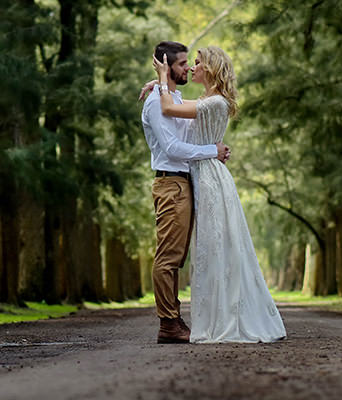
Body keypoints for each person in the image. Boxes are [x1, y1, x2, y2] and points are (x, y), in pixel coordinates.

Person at [151, 45, 286, 343]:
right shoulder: (207, 99)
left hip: (208, 177)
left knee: (215, 248)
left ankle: (222, 318)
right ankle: (206, 316)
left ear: (210, 68)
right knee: (208, 249)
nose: (192, 68)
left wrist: (162, 80)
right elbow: (173, 102)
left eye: (197, 63)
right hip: (199, 174)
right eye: (190, 63)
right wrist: (157, 84)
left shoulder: (214, 102)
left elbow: (170, 108)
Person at [140, 41, 230, 344]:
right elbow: (172, 148)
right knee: (168, 257)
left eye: (189, 63)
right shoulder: (156, 102)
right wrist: (212, 151)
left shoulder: (172, 95)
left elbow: (191, 119)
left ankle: (174, 319)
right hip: (170, 184)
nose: (188, 68)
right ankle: (169, 324)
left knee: (177, 257)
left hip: (184, 183)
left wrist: (160, 82)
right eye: (181, 64)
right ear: (166, 66)